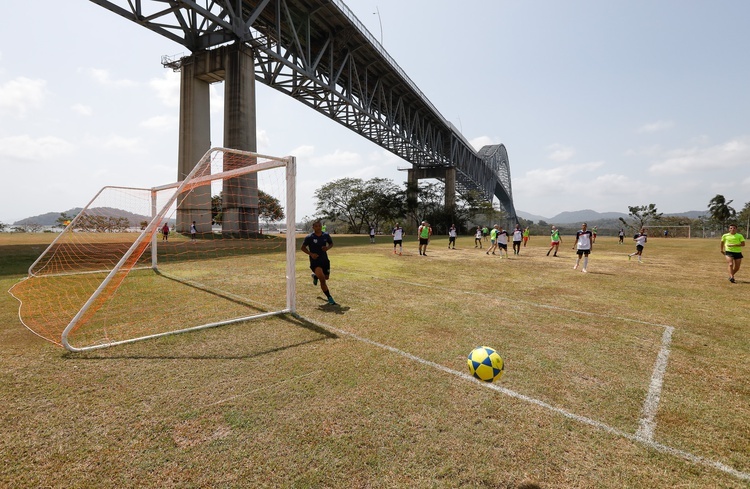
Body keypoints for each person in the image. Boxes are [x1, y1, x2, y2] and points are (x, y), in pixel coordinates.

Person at [301, 220, 336, 305]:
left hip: (325, 260)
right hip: (315, 261)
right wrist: (311, 254)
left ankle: (315, 276)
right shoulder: (309, 237)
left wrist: (327, 248)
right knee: (323, 280)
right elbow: (303, 248)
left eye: (319, 226)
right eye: (316, 226)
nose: (318, 227)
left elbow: (331, 244)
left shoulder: (326, 235)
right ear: (313, 227)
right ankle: (329, 297)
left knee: (326, 277)